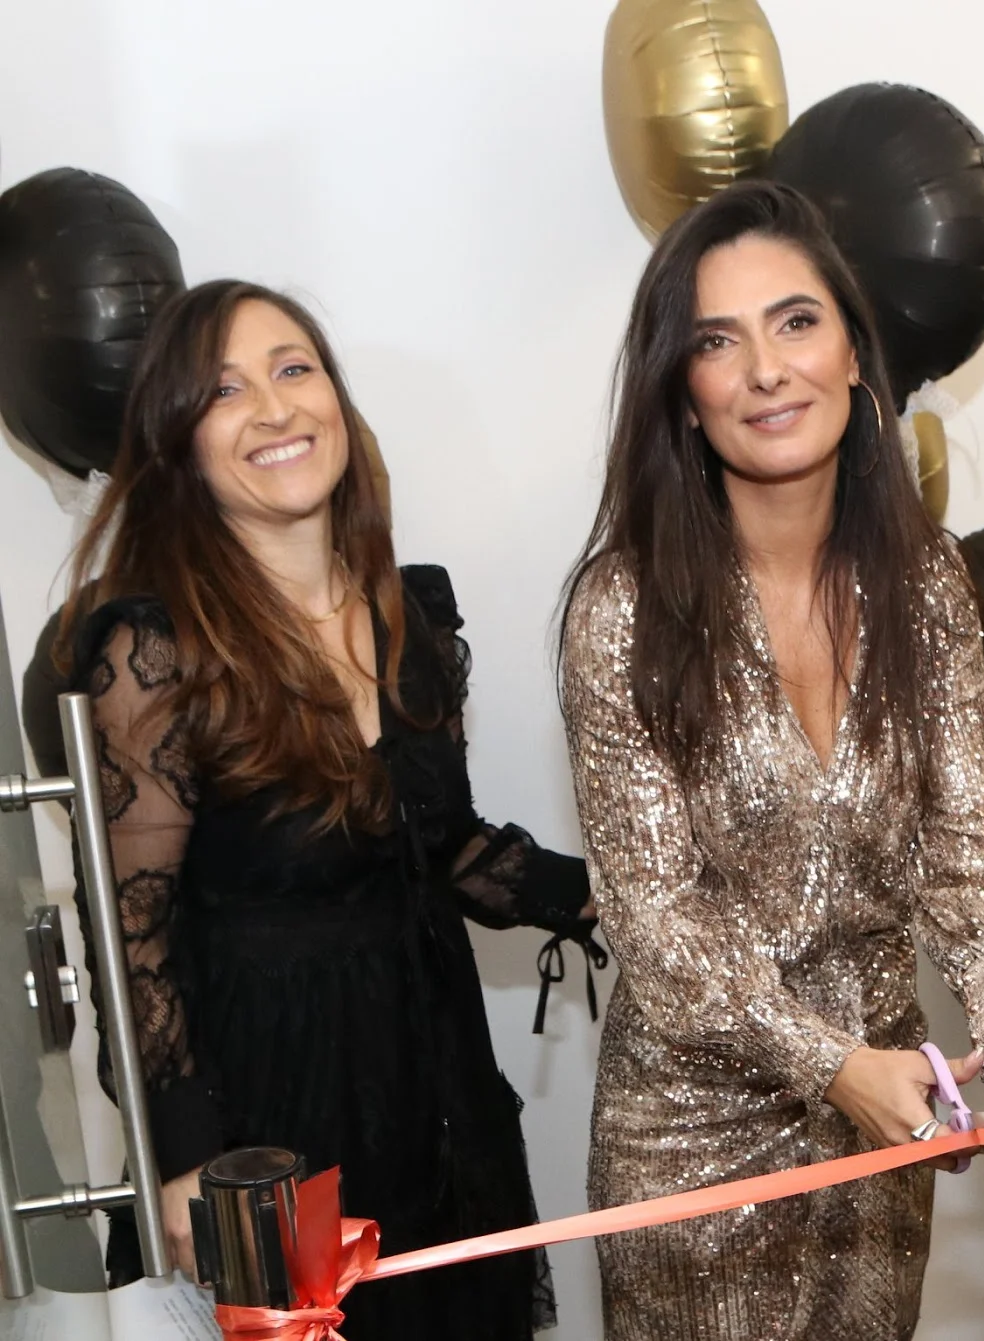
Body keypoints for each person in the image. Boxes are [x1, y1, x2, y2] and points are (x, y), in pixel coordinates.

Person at [559, 178, 984, 1340]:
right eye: (717, 341)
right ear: (682, 391)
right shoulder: (624, 611)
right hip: (691, 1143)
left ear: (853, 354)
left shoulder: (925, 583)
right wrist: (835, 1065)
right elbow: (656, 921)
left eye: (795, 321)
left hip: (880, 1129)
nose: (765, 369)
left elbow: (965, 839)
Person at [58, 280, 596, 1339]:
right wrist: (186, 1164)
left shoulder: (410, 615)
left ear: (338, 402)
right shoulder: (151, 651)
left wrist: (614, 898)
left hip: (438, 1107)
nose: (274, 407)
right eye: (225, 390)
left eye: (294, 368)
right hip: (268, 1141)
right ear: (180, 443)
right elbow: (132, 937)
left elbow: (440, 848)